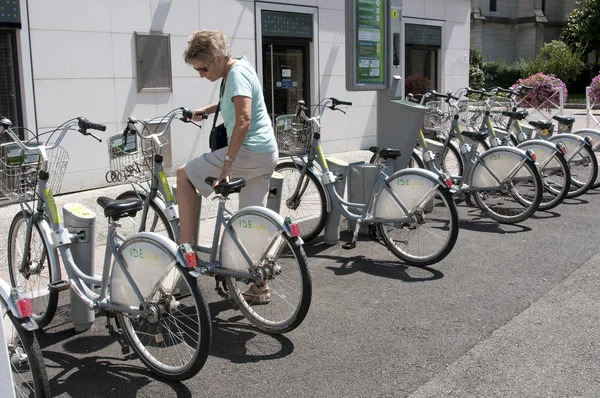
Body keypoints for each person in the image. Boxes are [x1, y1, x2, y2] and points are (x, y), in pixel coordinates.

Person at [178, 30, 278, 304]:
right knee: (251, 221)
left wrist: (227, 165)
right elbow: (236, 102)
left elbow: (243, 119)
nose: (201, 74)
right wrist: (208, 110)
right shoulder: (240, 68)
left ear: (220, 58)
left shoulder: (236, 74)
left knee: (183, 175)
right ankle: (260, 287)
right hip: (265, 154)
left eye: (203, 68)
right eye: (197, 69)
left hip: (248, 153)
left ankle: (187, 256)